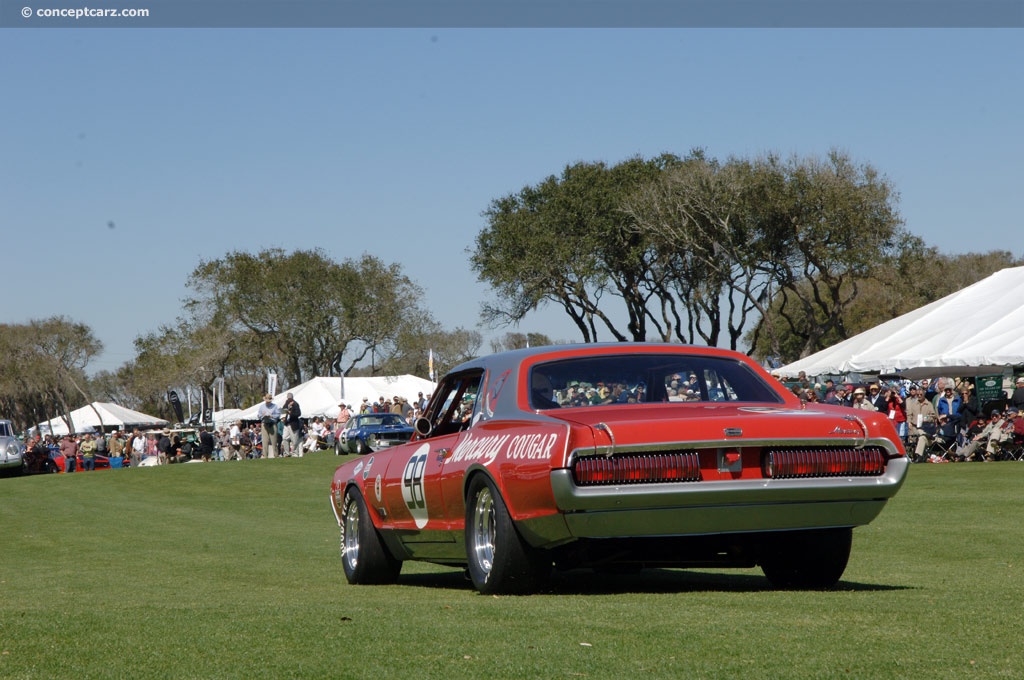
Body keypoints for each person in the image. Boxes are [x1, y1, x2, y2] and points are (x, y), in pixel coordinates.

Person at [906, 389, 939, 460]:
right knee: (915, 437)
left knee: (921, 435)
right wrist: (909, 422)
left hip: (925, 427)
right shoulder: (914, 404)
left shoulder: (929, 404)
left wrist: (926, 418)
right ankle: (914, 456)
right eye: (918, 395)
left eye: (921, 395)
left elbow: (933, 416)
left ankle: (919, 456)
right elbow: (909, 415)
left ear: (924, 395)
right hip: (914, 426)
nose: (919, 396)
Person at [257, 393, 282, 458]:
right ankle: (265, 455)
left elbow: (278, 415)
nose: (268, 402)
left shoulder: (275, 406)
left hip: (272, 424)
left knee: (274, 441)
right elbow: (259, 415)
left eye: (269, 401)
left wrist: (272, 416)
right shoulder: (262, 406)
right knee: (265, 441)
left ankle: (276, 455)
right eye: (267, 400)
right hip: (264, 424)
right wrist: (262, 415)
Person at [281, 392, 302, 457]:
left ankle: (295, 453)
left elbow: (298, 414)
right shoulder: (286, 403)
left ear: (292, 398)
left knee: (294, 440)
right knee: (284, 438)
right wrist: (284, 416)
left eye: (290, 398)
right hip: (287, 424)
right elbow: (282, 411)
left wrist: (290, 413)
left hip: (293, 424)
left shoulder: (296, 404)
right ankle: (287, 453)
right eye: (288, 398)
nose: (289, 400)